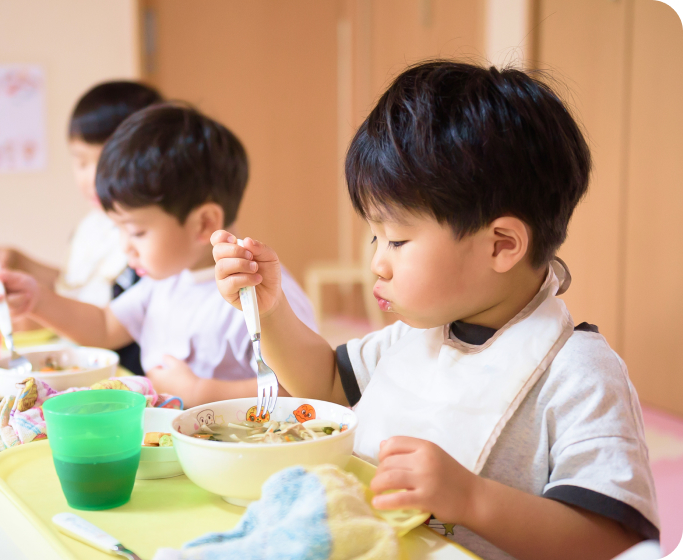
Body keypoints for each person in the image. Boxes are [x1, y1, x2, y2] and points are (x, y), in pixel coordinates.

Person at [211, 61, 659, 560]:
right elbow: (324, 384)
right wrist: (271, 310)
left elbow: (618, 543)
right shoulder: (419, 337)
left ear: (501, 245)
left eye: (398, 239)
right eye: (375, 235)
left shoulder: (578, 375)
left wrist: (472, 499)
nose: (376, 261)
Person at [0, 103, 316, 408]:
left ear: (204, 223)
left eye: (137, 232)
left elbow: (306, 390)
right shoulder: (167, 280)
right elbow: (104, 326)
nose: (126, 247)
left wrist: (200, 392)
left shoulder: (262, 291)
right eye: (120, 231)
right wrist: (37, 300)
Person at [0, 81, 163, 374]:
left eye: (106, 163)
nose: (92, 179)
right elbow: (78, 284)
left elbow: (104, 321)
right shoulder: (94, 224)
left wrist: (36, 302)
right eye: (81, 162)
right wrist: (21, 262)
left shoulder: (145, 237)